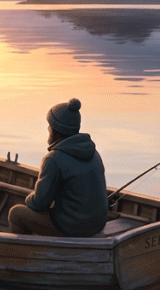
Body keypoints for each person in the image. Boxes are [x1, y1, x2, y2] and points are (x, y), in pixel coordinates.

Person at [8, 98, 109, 237]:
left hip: (71, 227)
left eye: (49, 126)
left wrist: (28, 199)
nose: (48, 129)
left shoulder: (53, 159)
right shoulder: (94, 153)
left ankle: (24, 253)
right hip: (97, 225)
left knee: (16, 213)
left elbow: (39, 204)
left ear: (56, 131)